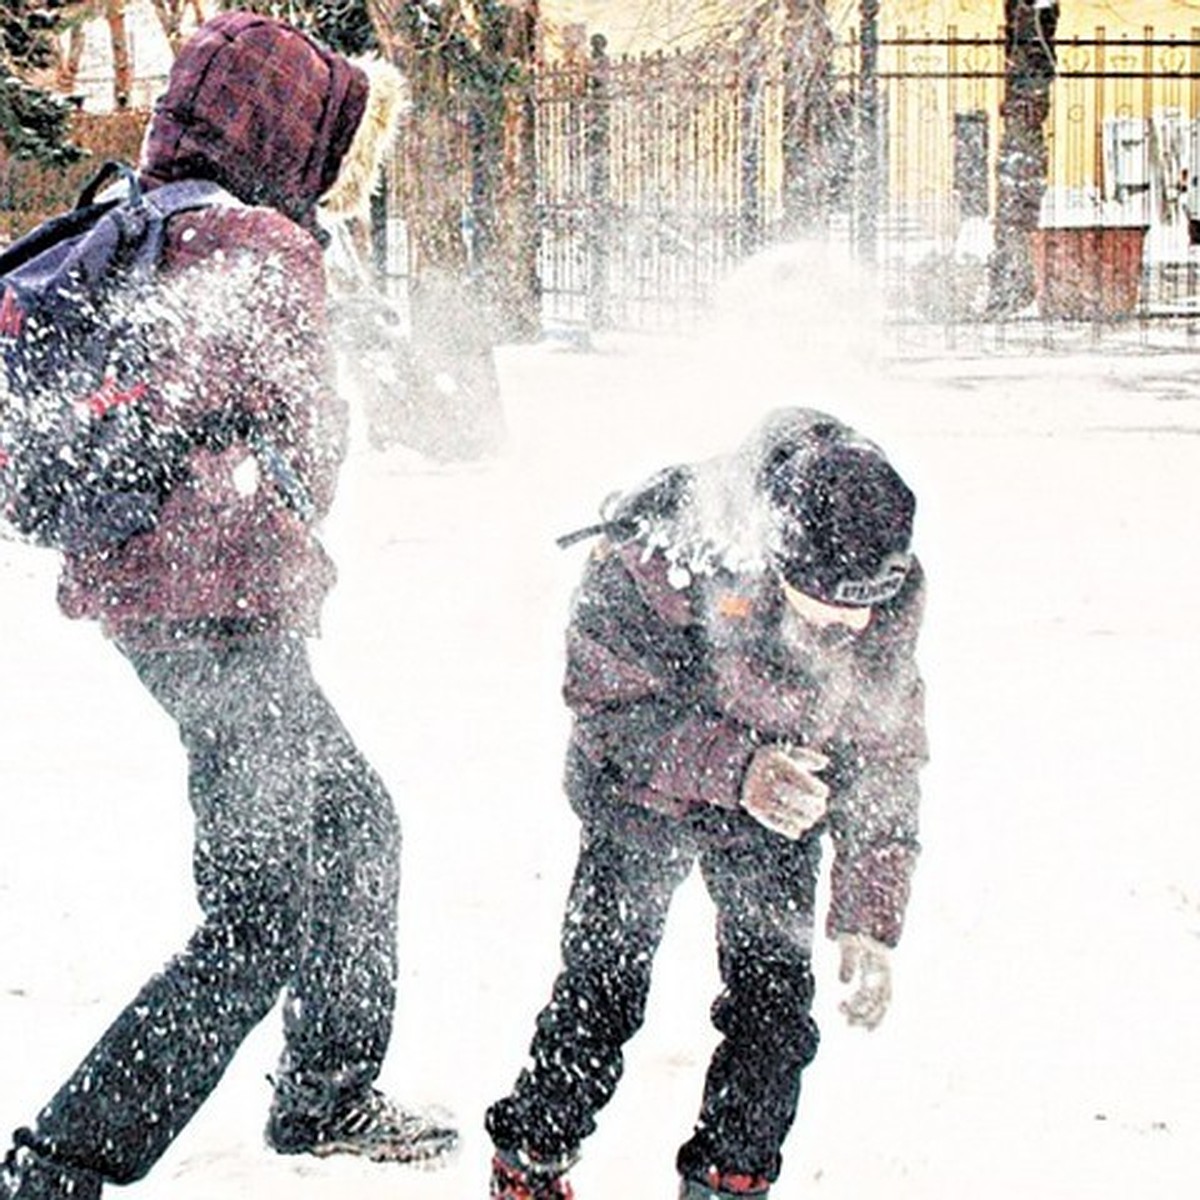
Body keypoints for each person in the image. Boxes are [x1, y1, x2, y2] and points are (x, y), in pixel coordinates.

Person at [0, 13, 456, 1199]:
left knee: (353, 828)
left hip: (162, 600)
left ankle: (327, 1091)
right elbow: (298, 434)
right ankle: (64, 1161)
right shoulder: (255, 246)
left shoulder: (137, 223)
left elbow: (157, 408)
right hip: (224, 609)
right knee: (261, 911)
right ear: (285, 129)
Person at [485, 408, 928, 1200]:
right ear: (775, 553)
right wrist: (738, 768)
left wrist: (869, 911)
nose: (852, 623)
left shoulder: (881, 581)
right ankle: (530, 1160)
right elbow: (606, 709)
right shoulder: (662, 552)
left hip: (779, 808)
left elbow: (886, 748)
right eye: (827, 602)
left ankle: (729, 1181)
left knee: (775, 1016)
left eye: (866, 604)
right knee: (602, 992)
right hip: (642, 796)